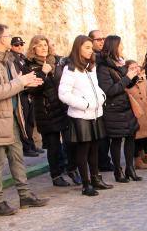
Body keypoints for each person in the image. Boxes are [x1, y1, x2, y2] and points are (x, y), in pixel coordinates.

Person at [0, 24, 49, 216]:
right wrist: (20, 82)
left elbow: (14, 84)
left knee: (17, 157)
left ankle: (25, 196)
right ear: (1, 39)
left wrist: (26, 83)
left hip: (11, 116)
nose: (11, 38)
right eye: (8, 35)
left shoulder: (7, 59)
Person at [23, 35, 80, 187]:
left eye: (45, 45)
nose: (44, 48)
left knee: (71, 142)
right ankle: (56, 175)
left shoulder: (57, 61)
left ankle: (72, 169)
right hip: (46, 111)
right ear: (33, 48)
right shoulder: (29, 66)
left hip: (63, 108)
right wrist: (43, 73)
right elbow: (32, 90)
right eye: (39, 45)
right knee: (53, 146)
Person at [58, 35, 111, 196]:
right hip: (80, 115)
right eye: (87, 48)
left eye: (91, 48)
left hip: (95, 113)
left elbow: (95, 87)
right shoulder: (70, 68)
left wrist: (101, 97)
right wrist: (84, 104)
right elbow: (63, 94)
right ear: (78, 48)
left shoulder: (91, 66)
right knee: (83, 150)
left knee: (95, 148)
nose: (90, 51)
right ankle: (86, 184)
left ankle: (96, 178)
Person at [97, 35, 141, 183]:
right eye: (120, 45)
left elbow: (126, 84)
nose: (122, 47)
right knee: (116, 140)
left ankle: (130, 168)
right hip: (113, 109)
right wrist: (128, 77)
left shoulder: (120, 63)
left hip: (126, 107)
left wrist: (134, 76)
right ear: (114, 47)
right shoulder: (103, 67)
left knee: (130, 137)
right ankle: (118, 171)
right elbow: (109, 90)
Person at [125, 59, 147, 169]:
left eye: (136, 67)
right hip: (135, 111)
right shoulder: (126, 82)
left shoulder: (142, 78)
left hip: (146, 110)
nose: (135, 69)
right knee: (137, 135)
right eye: (132, 68)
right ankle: (137, 159)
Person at [9, 36, 41, 157]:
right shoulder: (12, 59)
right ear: (11, 46)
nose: (19, 47)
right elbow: (18, 75)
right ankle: (26, 147)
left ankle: (31, 145)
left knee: (30, 121)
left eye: (21, 44)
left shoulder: (22, 58)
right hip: (21, 93)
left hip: (28, 92)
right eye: (16, 45)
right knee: (24, 121)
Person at [89, 29, 113, 171]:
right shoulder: (94, 58)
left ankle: (103, 160)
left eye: (103, 39)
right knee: (100, 135)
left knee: (104, 134)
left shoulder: (103, 57)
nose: (102, 42)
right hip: (95, 100)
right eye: (98, 39)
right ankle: (101, 162)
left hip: (104, 99)